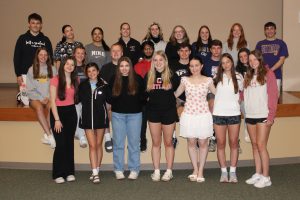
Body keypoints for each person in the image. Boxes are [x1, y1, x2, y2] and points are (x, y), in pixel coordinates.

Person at [174, 56, 216, 183]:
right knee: (191, 143)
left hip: (203, 115)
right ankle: (195, 169)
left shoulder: (209, 80)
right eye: (191, 66)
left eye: (196, 65)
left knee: (203, 144)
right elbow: (175, 94)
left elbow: (218, 94)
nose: (194, 68)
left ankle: (201, 170)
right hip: (189, 115)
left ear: (201, 66)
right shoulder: (185, 80)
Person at [244, 50, 278, 188]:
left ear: (260, 59)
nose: (252, 62)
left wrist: (271, 116)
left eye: (254, 59)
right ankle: (258, 173)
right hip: (250, 115)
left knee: (261, 146)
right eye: (250, 60)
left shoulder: (269, 74)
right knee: (254, 145)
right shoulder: (248, 75)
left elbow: (273, 96)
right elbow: (244, 95)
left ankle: (266, 177)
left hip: (263, 115)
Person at [145, 51, 180, 182]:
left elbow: (180, 92)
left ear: (165, 61)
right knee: (156, 143)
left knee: (168, 142)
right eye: (155, 60)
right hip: (153, 112)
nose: (158, 62)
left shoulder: (172, 75)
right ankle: (157, 171)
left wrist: (171, 89)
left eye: (161, 60)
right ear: (153, 62)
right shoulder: (148, 76)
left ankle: (169, 171)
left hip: (169, 112)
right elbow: (143, 95)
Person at [110, 57, 145, 180]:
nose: (124, 68)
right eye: (121, 66)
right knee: (118, 143)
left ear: (130, 67)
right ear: (118, 68)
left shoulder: (138, 79)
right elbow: (109, 98)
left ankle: (134, 169)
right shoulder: (113, 80)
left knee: (134, 144)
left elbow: (143, 97)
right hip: (117, 115)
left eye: (127, 66)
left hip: (135, 116)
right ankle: (118, 169)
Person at [213, 53, 244, 183]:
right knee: (220, 143)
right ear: (221, 65)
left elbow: (243, 94)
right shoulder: (216, 78)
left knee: (233, 143)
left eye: (228, 62)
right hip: (219, 114)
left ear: (232, 62)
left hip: (234, 114)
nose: (226, 64)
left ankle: (233, 172)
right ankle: (224, 172)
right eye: (223, 62)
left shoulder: (239, 77)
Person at [78, 63, 110, 184]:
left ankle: (96, 169)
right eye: (89, 71)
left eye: (94, 70)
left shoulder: (104, 85)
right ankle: (95, 174)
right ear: (86, 73)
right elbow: (78, 100)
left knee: (98, 144)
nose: (92, 73)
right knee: (92, 146)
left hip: (100, 119)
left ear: (98, 71)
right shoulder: (82, 85)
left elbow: (109, 100)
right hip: (87, 119)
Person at [49, 56, 79, 184]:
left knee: (69, 144)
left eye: (72, 65)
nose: (69, 66)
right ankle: (58, 173)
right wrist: (56, 119)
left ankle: (69, 172)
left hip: (71, 113)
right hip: (58, 114)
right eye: (67, 64)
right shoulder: (55, 80)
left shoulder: (76, 80)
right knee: (60, 144)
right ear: (62, 65)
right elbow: (52, 101)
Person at [14, 13, 53, 106]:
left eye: (38, 23)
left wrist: (50, 73)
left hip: (42, 75)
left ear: (41, 25)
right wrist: (18, 75)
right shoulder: (22, 39)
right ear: (29, 24)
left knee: (41, 100)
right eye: (33, 23)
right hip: (25, 75)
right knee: (27, 102)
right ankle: (21, 96)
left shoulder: (45, 40)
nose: (35, 25)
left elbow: (50, 57)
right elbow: (16, 57)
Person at [26, 47, 56, 148]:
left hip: (49, 97)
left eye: (45, 55)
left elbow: (55, 86)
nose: (43, 57)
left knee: (52, 108)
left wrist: (48, 97)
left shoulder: (53, 69)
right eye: (41, 55)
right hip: (35, 98)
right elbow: (30, 89)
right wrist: (40, 97)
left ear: (48, 57)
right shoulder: (31, 69)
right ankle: (50, 135)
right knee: (39, 108)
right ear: (37, 56)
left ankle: (47, 134)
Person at [100, 43, 124, 152]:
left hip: (123, 99)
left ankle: (116, 136)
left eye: (118, 51)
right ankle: (107, 137)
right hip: (109, 98)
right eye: (113, 51)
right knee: (104, 107)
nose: (115, 53)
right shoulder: (105, 68)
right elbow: (103, 86)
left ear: (122, 53)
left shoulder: (126, 66)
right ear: (110, 53)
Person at [255, 22, 289, 96]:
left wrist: (270, 71)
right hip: (262, 75)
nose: (269, 31)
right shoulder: (260, 44)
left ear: (275, 30)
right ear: (264, 31)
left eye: (271, 28)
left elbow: (282, 60)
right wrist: (264, 72)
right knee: (262, 97)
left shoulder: (281, 43)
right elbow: (256, 60)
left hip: (276, 75)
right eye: (267, 29)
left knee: (274, 98)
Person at [202, 39, 222, 152]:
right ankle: (213, 136)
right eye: (213, 48)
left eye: (218, 48)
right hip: (210, 91)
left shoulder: (224, 61)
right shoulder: (205, 62)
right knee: (212, 105)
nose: (216, 50)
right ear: (210, 49)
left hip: (224, 91)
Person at [134, 40, 155, 152]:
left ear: (153, 50)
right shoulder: (137, 66)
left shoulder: (156, 64)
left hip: (155, 97)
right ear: (143, 50)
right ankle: (142, 141)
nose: (148, 50)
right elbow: (136, 83)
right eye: (146, 49)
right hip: (142, 98)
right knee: (141, 122)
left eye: (150, 48)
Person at [73, 46, 88, 148]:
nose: (80, 55)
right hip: (73, 98)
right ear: (74, 54)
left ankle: (79, 133)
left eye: (82, 53)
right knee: (78, 110)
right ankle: (82, 136)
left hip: (85, 97)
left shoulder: (87, 68)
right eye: (78, 53)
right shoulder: (70, 66)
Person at [236, 48, 251, 143]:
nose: (243, 58)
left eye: (245, 55)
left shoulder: (256, 67)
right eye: (241, 57)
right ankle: (247, 131)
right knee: (246, 108)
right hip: (243, 97)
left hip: (254, 96)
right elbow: (240, 87)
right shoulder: (237, 70)